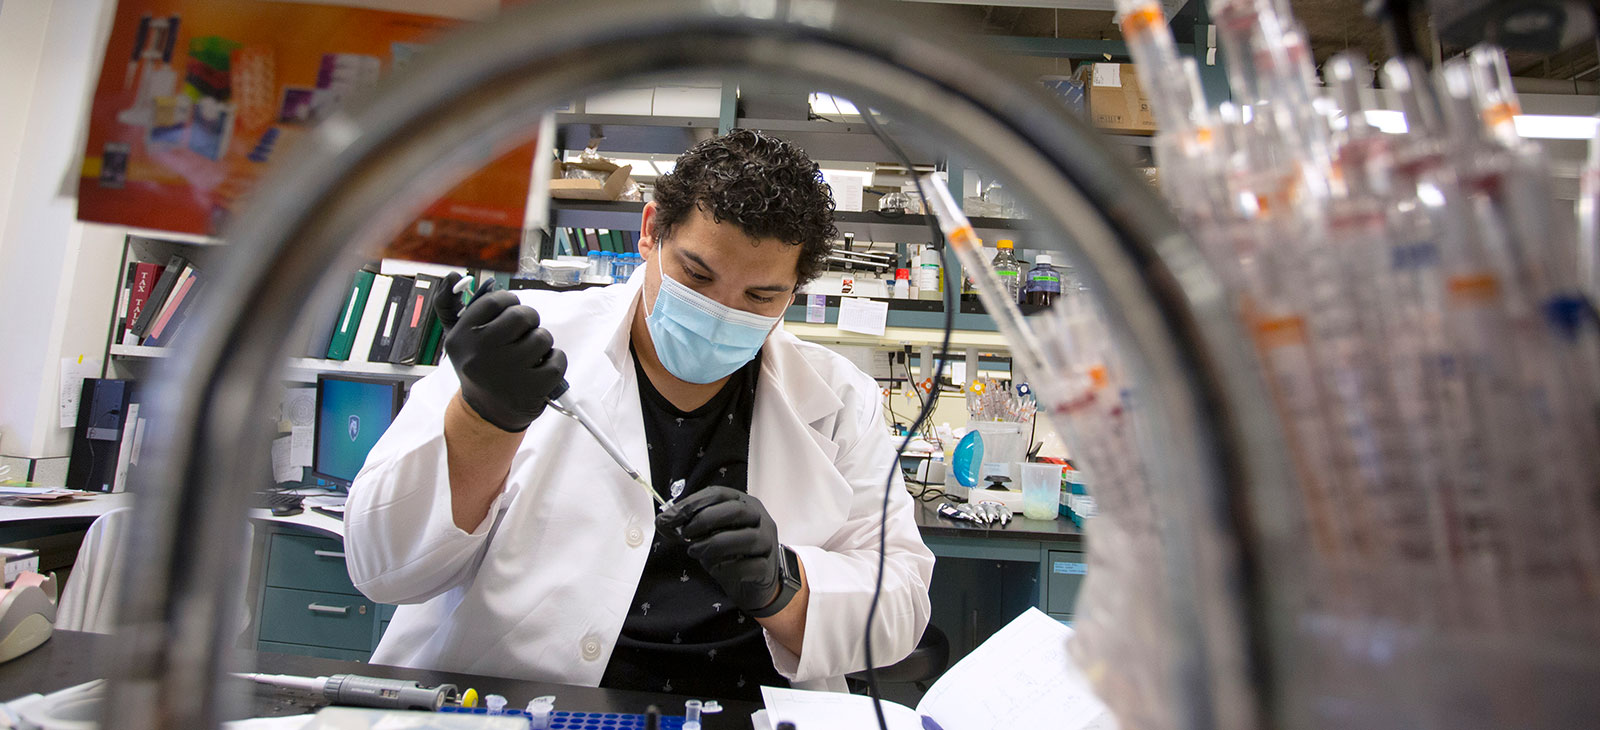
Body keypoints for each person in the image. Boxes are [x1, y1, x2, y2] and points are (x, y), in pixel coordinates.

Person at [345, 130, 934, 699]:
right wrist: (486, 416)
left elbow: (902, 604)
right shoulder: (520, 343)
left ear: (795, 289)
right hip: (517, 705)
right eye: (697, 275)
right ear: (650, 232)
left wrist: (785, 587)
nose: (721, 312)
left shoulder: (840, 401)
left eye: (761, 297)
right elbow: (381, 567)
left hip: (746, 713)